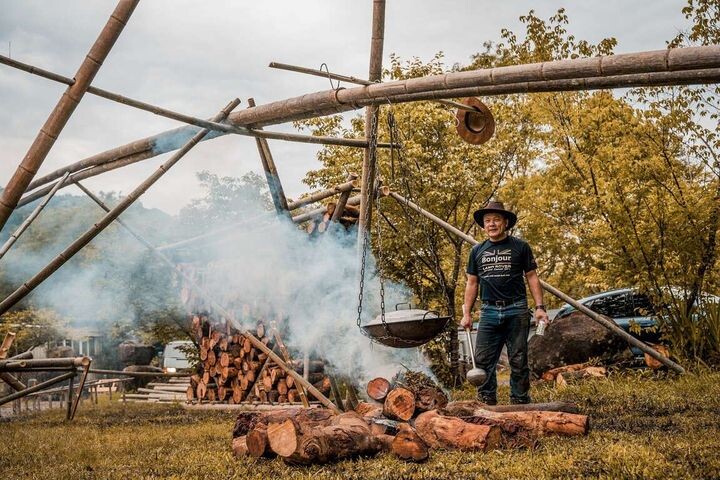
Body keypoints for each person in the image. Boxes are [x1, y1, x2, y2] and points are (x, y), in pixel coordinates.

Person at [461, 200, 548, 405]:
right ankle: (486, 401)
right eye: (487, 221)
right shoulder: (477, 251)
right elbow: (472, 283)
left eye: (496, 220)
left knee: (518, 359)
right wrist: (467, 314)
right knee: (482, 360)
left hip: (516, 309)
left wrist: (540, 308)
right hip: (489, 311)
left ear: (505, 222)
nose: (491, 224)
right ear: (483, 226)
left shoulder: (520, 247)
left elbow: (532, 277)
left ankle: (519, 401)